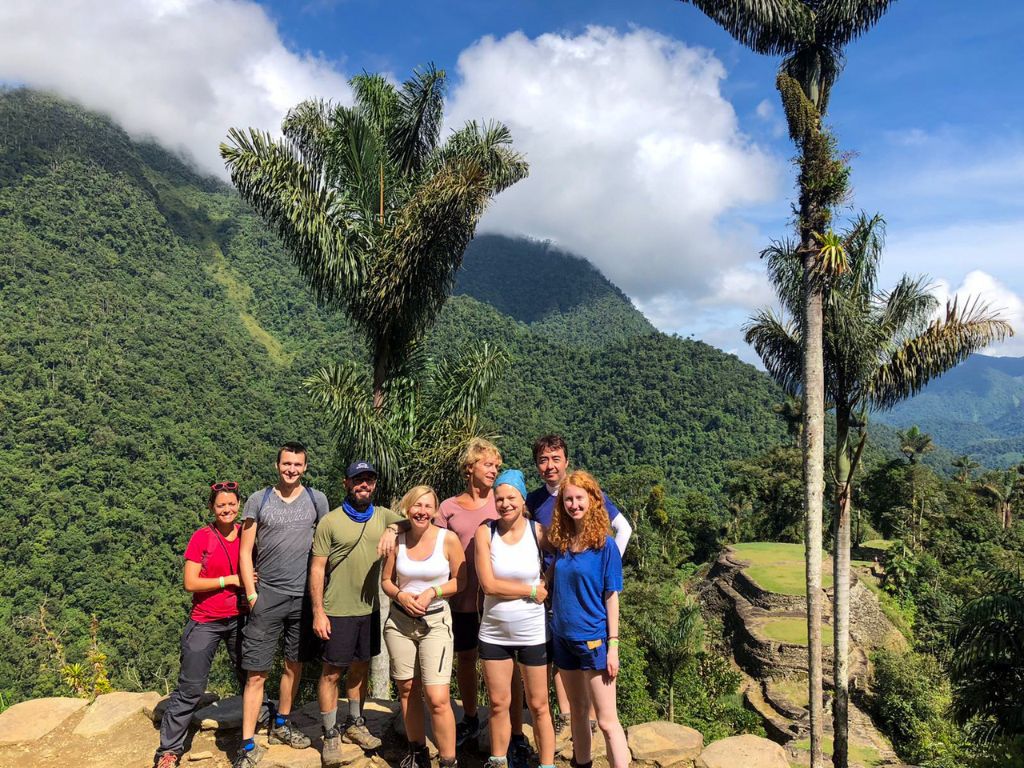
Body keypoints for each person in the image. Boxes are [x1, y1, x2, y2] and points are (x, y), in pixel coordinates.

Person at [525, 434, 632, 739]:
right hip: (552, 588)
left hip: (585, 589)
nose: (549, 465)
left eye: (555, 458)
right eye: (543, 460)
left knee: (590, 654)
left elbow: (623, 528)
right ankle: (567, 714)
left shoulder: (583, 491)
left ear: (566, 461)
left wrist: (602, 570)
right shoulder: (533, 500)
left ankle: (595, 720)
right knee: (562, 652)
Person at [233, 442, 330, 768]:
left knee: (293, 664)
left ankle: (281, 724)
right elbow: (245, 552)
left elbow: (326, 550)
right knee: (256, 673)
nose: (291, 469)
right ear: (278, 465)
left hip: (302, 598)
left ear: (304, 467)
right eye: (287, 463)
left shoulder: (317, 500)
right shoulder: (259, 500)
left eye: (297, 464)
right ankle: (247, 744)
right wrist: (251, 594)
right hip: (268, 596)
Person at [310, 461, 406, 765]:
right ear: (346, 484)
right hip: (337, 609)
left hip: (370, 609)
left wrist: (393, 527)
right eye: (358, 480)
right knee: (332, 672)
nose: (364, 485)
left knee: (361, 668)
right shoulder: (331, 521)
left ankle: (355, 723)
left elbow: (415, 521)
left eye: (369, 480)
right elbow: (317, 569)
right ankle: (330, 734)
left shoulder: (382, 516)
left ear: (374, 485)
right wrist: (318, 612)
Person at [153, 482, 248, 768]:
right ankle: (168, 751)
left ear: (239, 505)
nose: (227, 510)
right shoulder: (202, 537)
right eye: (221, 505)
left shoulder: (247, 533)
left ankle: (256, 728)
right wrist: (228, 580)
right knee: (191, 688)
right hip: (206, 619)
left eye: (231, 504)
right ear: (212, 508)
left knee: (250, 676)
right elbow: (190, 582)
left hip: (240, 617)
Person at [474, 469, 556, 768]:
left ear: (523, 499)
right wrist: (533, 589)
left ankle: (547, 764)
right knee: (498, 704)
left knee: (538, 705)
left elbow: (563, 553)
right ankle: (498, 760)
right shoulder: (486, 532)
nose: (505, 503)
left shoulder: (537, 532)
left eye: (511, 497)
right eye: (500, 498)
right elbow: (489, 585)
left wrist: (547, 579)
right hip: (494, 632)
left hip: (533, 631)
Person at [381, 486, 467, 768]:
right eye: (417, 506)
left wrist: (433, 592)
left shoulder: (448, 539)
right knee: (406, 687)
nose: (422, 511)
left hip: (435, 621)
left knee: (438, 696)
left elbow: (460, 581)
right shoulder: (399, 540)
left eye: (428, 506)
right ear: (408, 509)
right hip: (399, 621)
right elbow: (387, 581)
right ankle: (417, 751)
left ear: (435, 510)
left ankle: (448, 759)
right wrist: (401, 595)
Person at [547, 471, 628, 768]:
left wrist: (614, 646)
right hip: (564, 639)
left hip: (593, 641)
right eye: (568, 499)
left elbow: (611, 596)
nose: (573, 504)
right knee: (578, 713)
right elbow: (553, 582)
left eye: (579, 498)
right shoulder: (565, 542)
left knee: (607, 721)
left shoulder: (605, 547)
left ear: (593, 500)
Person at [435, 438, 504, 748]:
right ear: (470, 467)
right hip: (461, 601)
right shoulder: (449, 507)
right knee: (465, 659)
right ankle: (472, 718)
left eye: (496, 467)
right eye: (488, 465)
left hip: (497, 600)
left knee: (501, 663)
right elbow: (430, 541)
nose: (493, 471)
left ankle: (505, 720)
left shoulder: (502, 503)